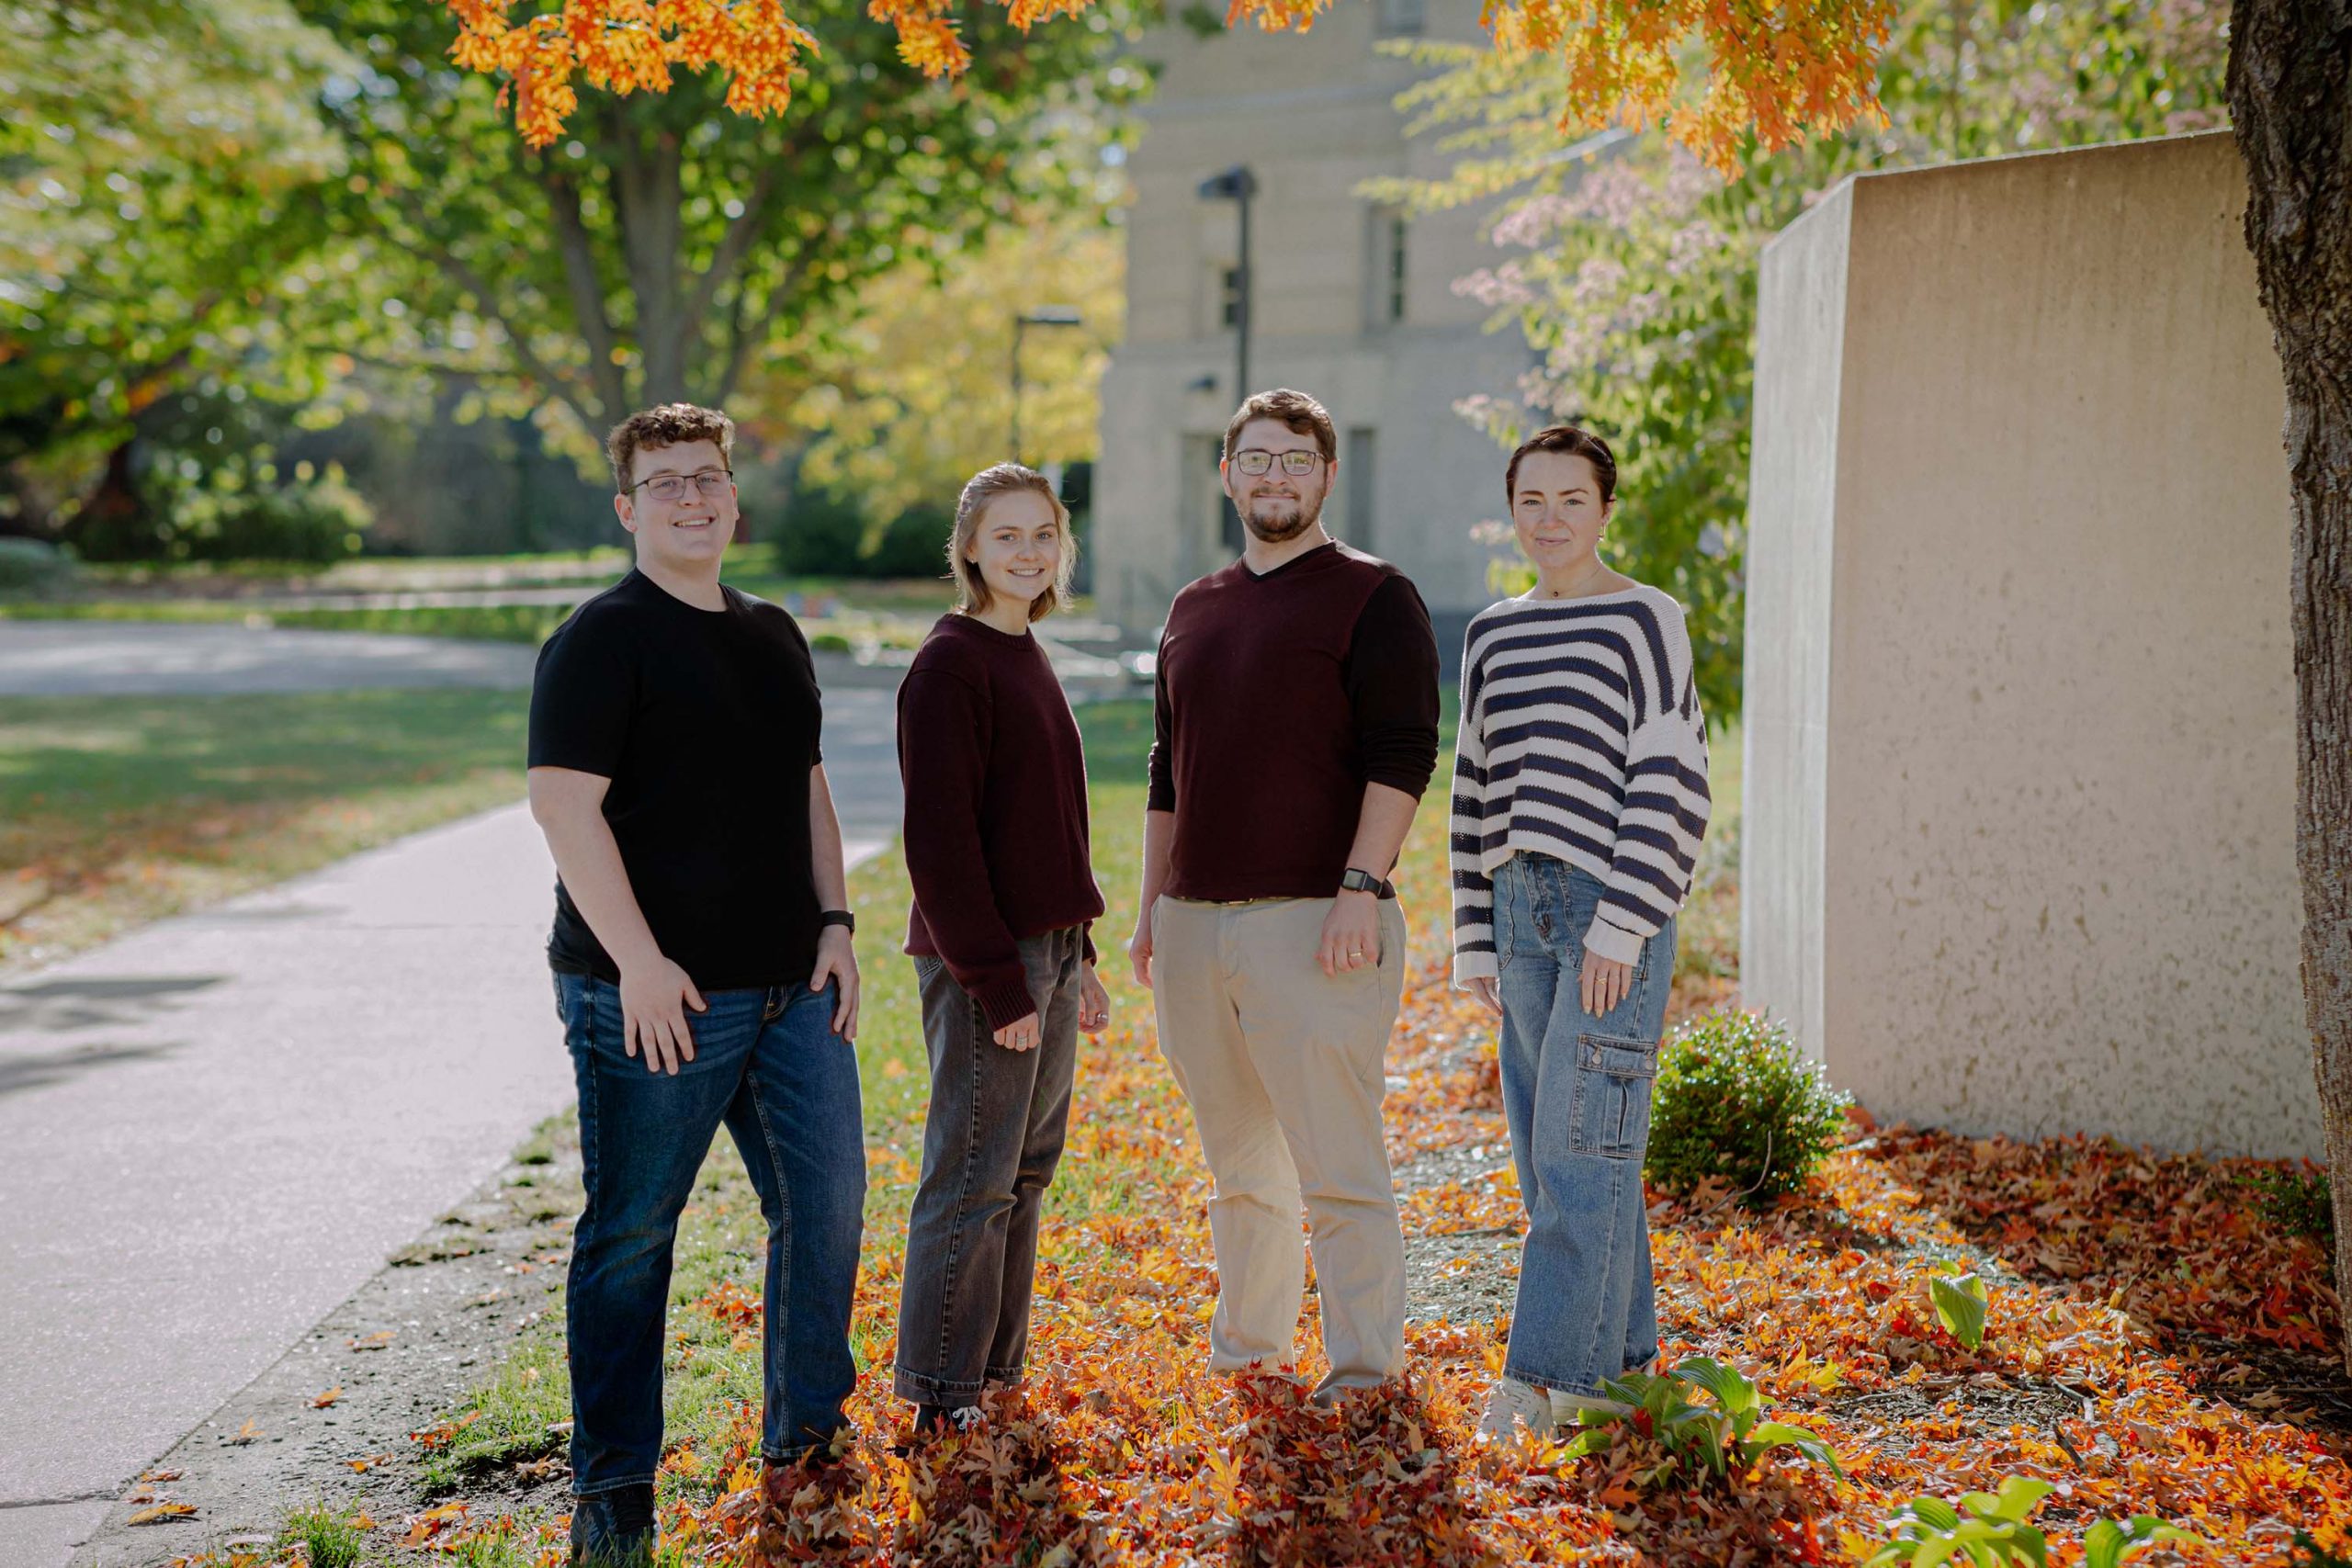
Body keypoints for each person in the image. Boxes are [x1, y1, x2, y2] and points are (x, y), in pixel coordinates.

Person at [526, 403, 866, 1566]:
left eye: (708, 478)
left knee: (823, 1215)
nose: (691, 497)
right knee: (631, 1237)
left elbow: (808, 789)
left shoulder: (775, 632)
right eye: (665, 482)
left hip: (790, 994)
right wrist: (640, 964)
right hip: (653, 1002)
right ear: (628, 507)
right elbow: (564, 809)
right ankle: (614, 1496)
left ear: (733, 497)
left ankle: (808, 1452)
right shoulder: (598, 639)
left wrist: (837, 923)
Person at [1128, 388, 1442, 1400]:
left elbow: (1404, 752)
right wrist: (1147, 911)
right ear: (1227, 474)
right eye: (1256, 459)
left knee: (1337, 1164)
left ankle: (1364, 1372)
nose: (1274, 477)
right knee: (1238, 1167)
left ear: (1326, 476)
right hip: (1192, 926)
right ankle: (1250, 1358)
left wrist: (1362, 883)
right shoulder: (1194, 606)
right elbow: (1167, 769)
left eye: (1295, 460)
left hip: (1315, 922)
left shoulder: (1371, 594)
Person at [1448, 423, 1713, 1440]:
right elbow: (1474, 792)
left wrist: (1622, 925)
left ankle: (1548, 1379)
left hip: (1611, 911)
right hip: (1518, 913)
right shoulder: (1489, 635)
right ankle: (1626, 1363)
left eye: (1571, 500)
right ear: (1510, 511)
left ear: (1606, 509)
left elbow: (1671, 778)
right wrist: (1476, 937)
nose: (1550, 520)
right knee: (1560, 1154)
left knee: (1576, 1151)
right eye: (1531, 501)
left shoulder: (1646, 620)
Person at [893, 464, 1112, 1434]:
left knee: (1025, 1172)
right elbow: (939, 844)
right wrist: (998, 985)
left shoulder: (1025, 650)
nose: (1028, 551)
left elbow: (1044, 824)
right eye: (1007, 535)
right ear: (970, 548)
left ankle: (993, 1371)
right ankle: (942, 1397)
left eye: (1043, 534)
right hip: (991, 960)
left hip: (1050, 951)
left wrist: (1083, 959)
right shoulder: (951, 664)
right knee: (972, 1177)